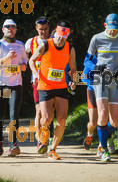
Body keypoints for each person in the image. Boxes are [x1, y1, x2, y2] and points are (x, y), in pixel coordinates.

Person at [84, 13, 118, 162]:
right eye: (110, 28)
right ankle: (103, 149)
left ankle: (104, 134)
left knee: (115, 122)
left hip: (117, 81)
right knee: (102, 113)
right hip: (100, 79)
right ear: (105, 25)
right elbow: (86, 60)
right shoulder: (96, 38)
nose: (112, 31)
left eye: (115, 28)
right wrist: (95, 67)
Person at [29, 20, 76, 160]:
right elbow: (31, 60)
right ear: (56, 31)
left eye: (65, 34)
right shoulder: (45, 44)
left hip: (61, 86)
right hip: (45, 86)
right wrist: (36, 75)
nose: (62, 37)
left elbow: (73, 68)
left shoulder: (69, 48)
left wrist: (73, 81)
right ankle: (42, 138)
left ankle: (53, 149)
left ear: (68, 34)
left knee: (62, 119)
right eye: (60, 33)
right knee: (47, 118)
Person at [0, 19, 27, 157]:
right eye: (7, 27)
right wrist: (6, 59)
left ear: (16, 30)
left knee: (14, 114)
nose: (10, 28)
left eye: (13, 27)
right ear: (3, 29)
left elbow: (24, 62)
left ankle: (14, 144)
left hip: (16, 83)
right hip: (0, 83)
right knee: (0, 115)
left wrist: (23, 66)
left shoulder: (21, 45)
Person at [25, 16, 54, 152]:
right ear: (36, 29)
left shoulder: (54, 40)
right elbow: (24, 58)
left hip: (53, 81)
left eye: (46, 29)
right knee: (40, 111)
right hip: (37, 80)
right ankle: (41, 139)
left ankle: (48, 136)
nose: (43, 32)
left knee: (49, 113)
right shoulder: (30, 42)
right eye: (41, 29)